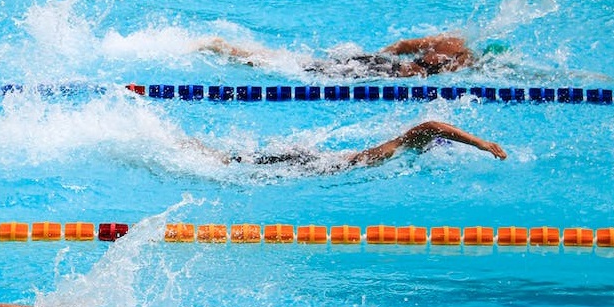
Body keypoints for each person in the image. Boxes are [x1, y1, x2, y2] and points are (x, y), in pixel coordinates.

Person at [185, 120, 506, 173]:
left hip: (318, 160)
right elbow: (430, 126)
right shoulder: (402, 145)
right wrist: (480, 143)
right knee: (232, 163)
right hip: (317, 164)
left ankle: (199, 150)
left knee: (241, 161)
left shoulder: (399, 151)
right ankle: (194, 150)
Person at [202, 34, 504, 79]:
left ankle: (233, 50)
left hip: (380, 64)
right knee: (305, 70)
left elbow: (400, 46)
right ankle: (233, 53)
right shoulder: (462, 59)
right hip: (383, 72)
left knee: (306, 65)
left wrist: (375, 57)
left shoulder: (449, 40)